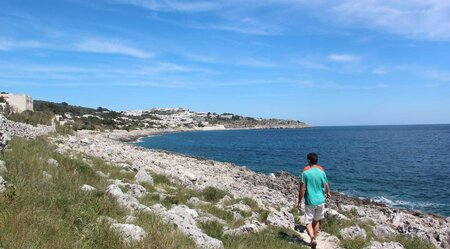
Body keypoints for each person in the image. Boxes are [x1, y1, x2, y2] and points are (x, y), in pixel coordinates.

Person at [297, 152, 331, 249]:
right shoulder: (322, 172)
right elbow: (326, 184)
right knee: (316, 221)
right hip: (321, 200)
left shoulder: (305, 173)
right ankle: (314, 239)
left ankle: (312, 238)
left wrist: (299, 201)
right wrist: (328, 193)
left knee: (308, 222)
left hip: (310, 201)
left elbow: (303, 189)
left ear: (308, 161)